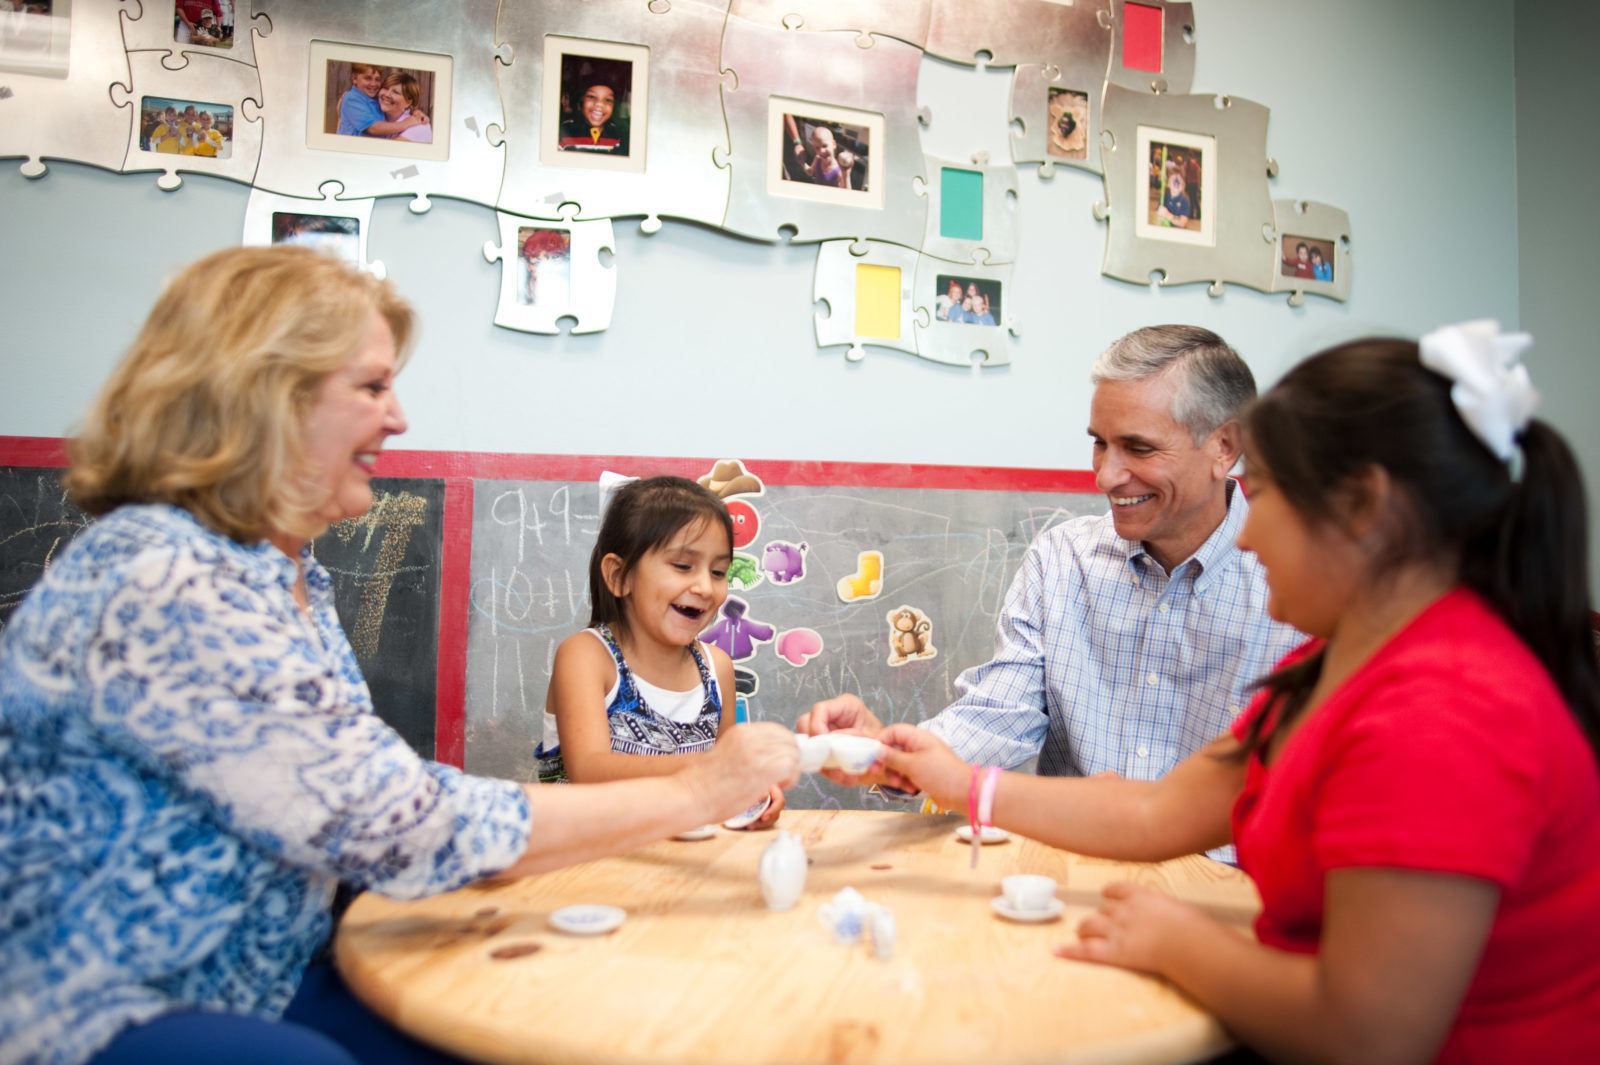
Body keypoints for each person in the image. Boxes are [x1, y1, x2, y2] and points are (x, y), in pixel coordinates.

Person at [0, 246, 801, 1065]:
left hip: (271, 970)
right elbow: (406, 826)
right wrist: (701, 788)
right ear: (267, 396)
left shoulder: (285, 572)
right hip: (106, 1008)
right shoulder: (167, 575)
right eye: (373, 386)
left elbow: (378, 794)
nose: (400, 418)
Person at [873, 322, 1600, 1063]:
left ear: (1361, 508)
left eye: (1267, 493)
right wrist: (958, 779)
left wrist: (1182, 941)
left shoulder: (1448, 708)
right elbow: (1158, 808)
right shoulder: (1342, 664)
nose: (1248, 540)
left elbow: (1371, 1035)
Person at [800, 327, 1300, 843]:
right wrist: (886, 754)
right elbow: (998, 715)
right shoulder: (1061, 558)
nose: (1107, 476)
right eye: (1100, 444)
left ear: (1223, 446)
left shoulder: (1294, 583)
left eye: (1139, 448)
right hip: (1068, 871)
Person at [534, 476, 786, 828]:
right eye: (683, 566)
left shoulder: (718, 669)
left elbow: (726, 782)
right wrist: (717, 765)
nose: (704, 587)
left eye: (718, 572)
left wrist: (749, 793)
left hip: (680, 866)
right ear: (620, 575)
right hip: (581, 867)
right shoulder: (586, 657)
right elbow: (589, 772)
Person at [336, 63, 425, 139]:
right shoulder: (352, 99)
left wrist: (419, 115)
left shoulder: (375, 98)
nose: (373, 84)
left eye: (377, 79)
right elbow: (374, 128)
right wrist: (407, 122)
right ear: (354, 78)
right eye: (367, 78)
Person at [557, 74, 627, 155]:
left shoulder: (619, 135)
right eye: (592, 96)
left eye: (608, 100)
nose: (599, 104)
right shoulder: (564, 130)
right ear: (581, 100)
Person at [376, 71, 431, 144]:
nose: (387, 94)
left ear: (408, 102)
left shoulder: (420, 126)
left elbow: (386, 150)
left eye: (395, 92)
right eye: (385, 88)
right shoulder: (372, 115)